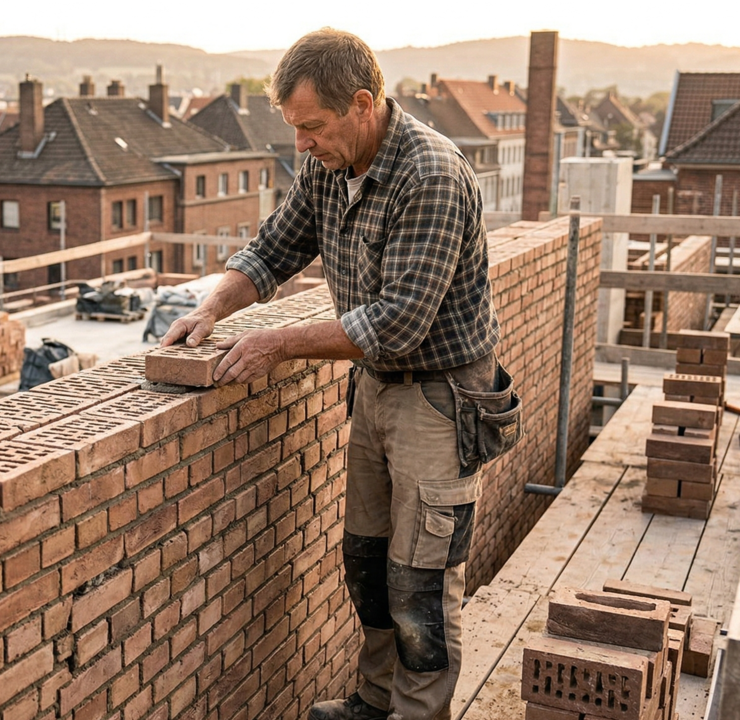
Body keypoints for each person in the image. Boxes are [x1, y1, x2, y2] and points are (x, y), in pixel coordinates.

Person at [161, 28, 509, 720]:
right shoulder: (329, 167)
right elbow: (273, 249)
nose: (303, 144)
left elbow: (399, 322)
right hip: (378, 389)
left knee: (423, 586)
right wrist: (210, 310)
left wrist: (277, 344)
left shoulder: (430, 176)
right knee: (370, 564)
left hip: (440, 402)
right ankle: (375, 705)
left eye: (312, 127)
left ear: (361, 103)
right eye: (296, 128)